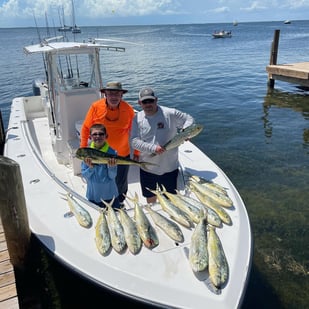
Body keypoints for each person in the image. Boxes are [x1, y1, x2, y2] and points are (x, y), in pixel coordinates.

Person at [130, 87, 194, 204]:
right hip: (148, 167)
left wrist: (186, 132)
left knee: (171, 198)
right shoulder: (136, 118)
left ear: (156, 100)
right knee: (150, 196)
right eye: (145, 102)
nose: (148, 104)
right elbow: (134, 141)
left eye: (151, 101)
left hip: (169, 167)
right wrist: (153, 148)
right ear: (139, 103)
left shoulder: (170, 113)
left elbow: (189, 119)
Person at [80, 81, 135, 206]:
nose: (114, 97)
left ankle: (119, 202)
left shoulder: (128, 109)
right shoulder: (95, 107)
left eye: (117, 94)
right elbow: (85, 128)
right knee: (101, 179)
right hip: (98, 154)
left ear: (122, 95)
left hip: (121, 154)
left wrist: (137, 151)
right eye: (110, 93)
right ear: (105, 94)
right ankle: (99, 202)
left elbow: (135, 131)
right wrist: (83, 150)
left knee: (120, 181)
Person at [81, 123, 121, 209]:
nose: (98, 136)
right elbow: (85, 175)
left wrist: (111, 167)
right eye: (94, 134)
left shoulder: (112, 152)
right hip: (93, 196)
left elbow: (113, 176)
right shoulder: (86, 153)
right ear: (90, 137)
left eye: (101, 134)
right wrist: (90, 168)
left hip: (111, 196)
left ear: (106, 136)